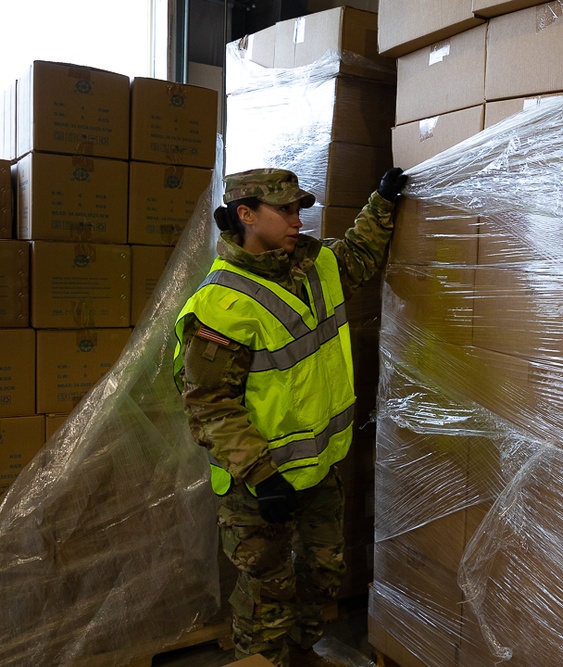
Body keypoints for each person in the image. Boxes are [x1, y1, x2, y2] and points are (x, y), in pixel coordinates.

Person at [173, 166, 408, 667]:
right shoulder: (222, 303)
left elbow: (359, 257)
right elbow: (210, 404)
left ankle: (302, 655)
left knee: (321, 575)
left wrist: (383, 201)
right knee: (268, 596)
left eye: (300, 208)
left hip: (317, 470)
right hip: (260, 486)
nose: (298, 219)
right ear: (246, 215)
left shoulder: (313, 264)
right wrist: (261, 475)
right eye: (285, 210)